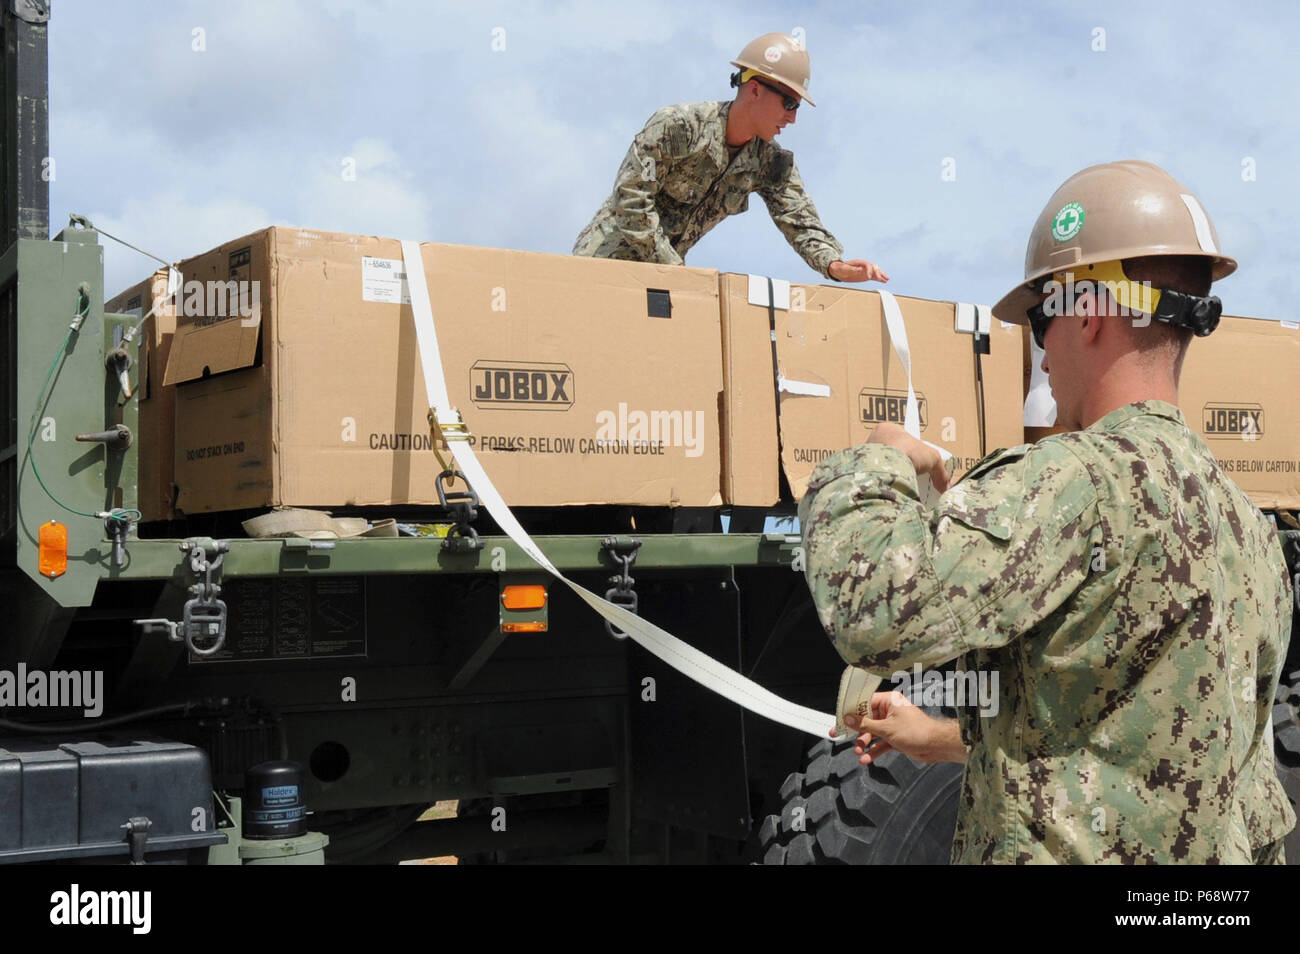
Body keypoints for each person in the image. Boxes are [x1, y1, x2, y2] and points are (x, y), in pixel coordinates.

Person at [800, 159, 1295, 864]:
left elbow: (872, 611)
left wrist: (877, 460)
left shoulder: (1078, 482)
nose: (1039, 349)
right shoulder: (1250, 526)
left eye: (1040, 320)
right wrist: (942, 736)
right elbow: (1152, 750)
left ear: (1088, 313)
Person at [573, 33, 886, 283]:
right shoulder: (678, 127)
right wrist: (675, 269)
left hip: (661, 282)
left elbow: (800, 222)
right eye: (789, 103)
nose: (792, 119)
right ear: (754, 91)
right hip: (600, 270)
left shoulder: (771, 163)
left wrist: (834, 264)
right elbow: (631, 198)